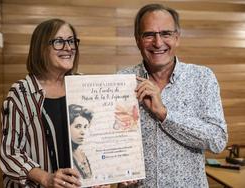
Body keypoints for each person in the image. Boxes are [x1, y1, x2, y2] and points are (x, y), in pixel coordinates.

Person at [117, 3, 228, 187]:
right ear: (137, 39)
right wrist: (118, 173)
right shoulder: (121, 81)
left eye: (166, 34)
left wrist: (165, 114)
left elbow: (217, 140)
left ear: (177, 37)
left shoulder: (202, 78)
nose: (158, 42)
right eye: (149, 34)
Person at [0, 18, 84, 188]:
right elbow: (9, 153)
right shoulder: (20, 92)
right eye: (59, 42)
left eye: (71, 41)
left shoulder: (82, 84)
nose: (68, 48)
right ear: (41, 48)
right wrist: (46, 178)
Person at [69, 104, 93, 179]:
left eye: (85, 127)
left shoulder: (82, 153)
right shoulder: (66, 154)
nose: (83, 132)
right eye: (78, 126)